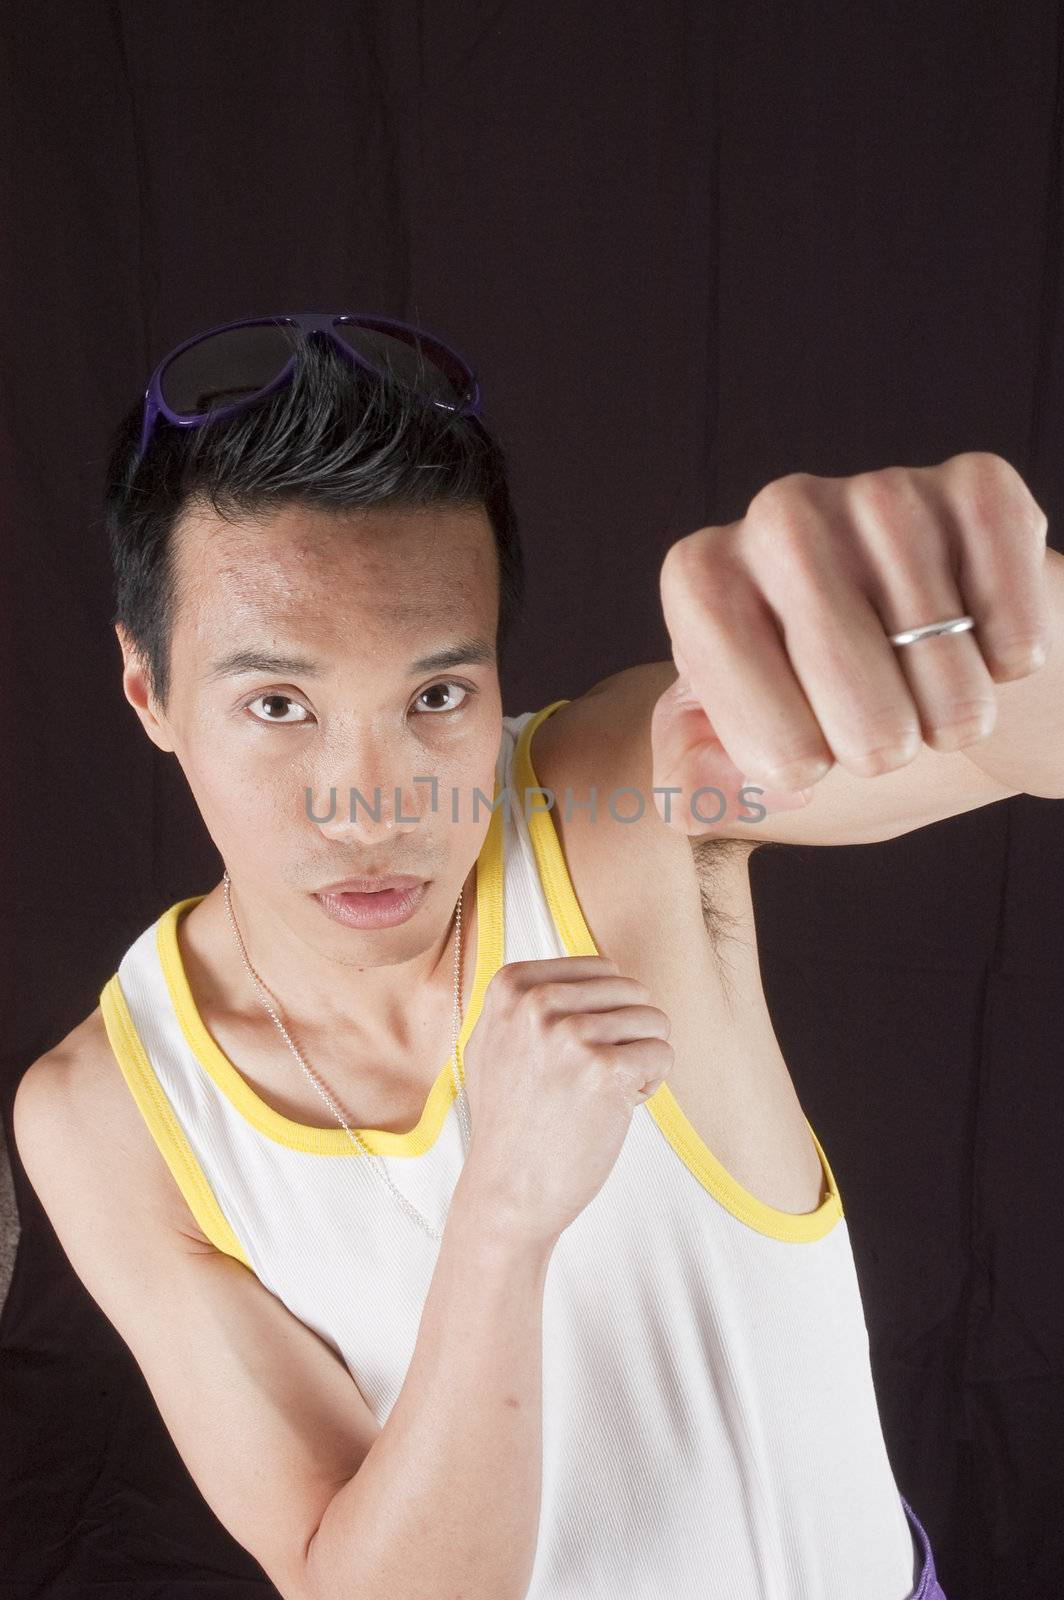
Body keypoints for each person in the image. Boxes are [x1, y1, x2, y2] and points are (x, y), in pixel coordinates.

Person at [12, 313, 959, 1599]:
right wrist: (502, 1213)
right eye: (277, 706)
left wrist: (985, 611)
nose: (370, 804)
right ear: (151, 695)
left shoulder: (617, 791)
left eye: (435, 697)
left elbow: (1017, 736)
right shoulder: (107, 1113)